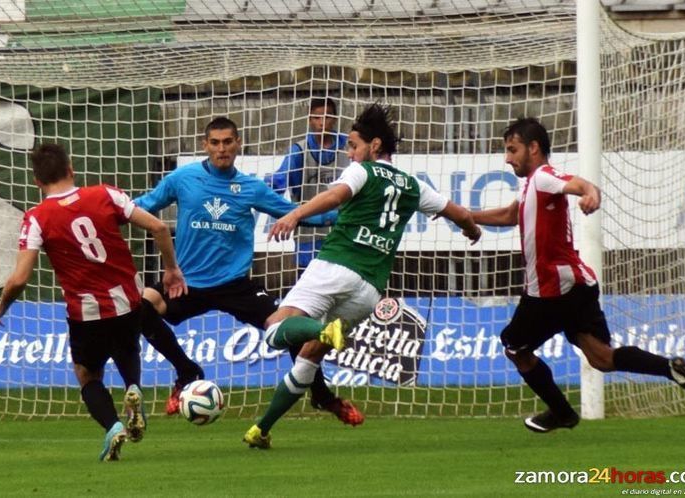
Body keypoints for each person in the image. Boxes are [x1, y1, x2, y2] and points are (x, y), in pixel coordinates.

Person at [242, 103, 482, 449]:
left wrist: (295, 214)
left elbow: (333, 196)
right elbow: (457, 212)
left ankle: (322, 329)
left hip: (334, 268)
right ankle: (261, 429)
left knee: (275, 330)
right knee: (310, 357)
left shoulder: (361, 172)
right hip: (369, 291)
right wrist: (471, 228)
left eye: (354, 146)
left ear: (375, 145)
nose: (349, 153)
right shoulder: (414, 186)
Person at [469, 117, 685, 433]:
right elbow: (510, 215)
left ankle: (562, 413)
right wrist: (464, 215)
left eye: (512, 150)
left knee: (514, 346)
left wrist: (590, 192)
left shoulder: (543, 175)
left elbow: (577, 184)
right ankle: (671, 368)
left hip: (552, 290)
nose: (507, 158)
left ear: (533, 148)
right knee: (602, 358)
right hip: (579, 284)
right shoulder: (530, 183)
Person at [135, 116, 364, 425]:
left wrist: (342, 217)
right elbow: (145, 204)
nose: (221, 149)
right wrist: (108, 210)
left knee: (286, 327)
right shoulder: (183, 178)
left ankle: (322, 396)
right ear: (205, 145)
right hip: (188, 282)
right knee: (141, 308)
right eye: (215, 143)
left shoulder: (250, 187)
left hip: (234, 285)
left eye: (228, 142)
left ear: (238, 143)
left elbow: (295, 214)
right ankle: (186, 371)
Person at [0, 143, 187, 461]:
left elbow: (20, 278)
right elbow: (160, 227)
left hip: (86, 312)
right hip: (127, 301)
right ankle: (133, 387)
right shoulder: (106, 194)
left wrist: (1, 305)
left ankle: (112, 427)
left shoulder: (37, 218)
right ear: (71, 170)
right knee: (126, 348)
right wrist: (171, 270)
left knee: (87, 374)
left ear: (37, 181)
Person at [264, 97, 349, 272]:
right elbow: (280, 181)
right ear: (310, 119)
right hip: (309, 233)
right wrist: (265, 189)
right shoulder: (298, 151)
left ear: (335, 118)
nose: (322, 122)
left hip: (344, 232)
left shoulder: (349, 148)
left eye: (327, 117)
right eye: (317, 117)